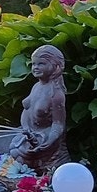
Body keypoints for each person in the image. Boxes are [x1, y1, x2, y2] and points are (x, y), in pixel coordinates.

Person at [8, 44, 70, 173]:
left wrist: (49, 141)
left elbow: (58, 124)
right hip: (29, 133)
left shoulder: (56, 94)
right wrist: (25, 128)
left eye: (41, 64)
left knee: (25, 155)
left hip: (44, 138)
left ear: (56, 66)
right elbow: (27, 110)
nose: (35, 67)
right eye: (33, 64)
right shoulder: (36, 86)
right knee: (14, 149)